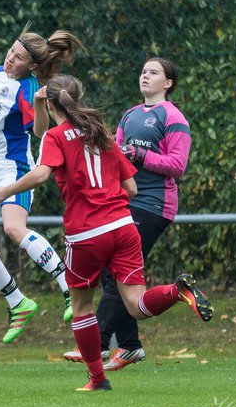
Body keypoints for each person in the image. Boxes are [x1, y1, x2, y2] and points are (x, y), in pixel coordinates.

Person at [0, 75, 211, 391]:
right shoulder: (102, 135)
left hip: (86, 232)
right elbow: (131, 188)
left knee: (81, 307)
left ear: (51, 105)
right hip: (123, 226)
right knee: (135, 304)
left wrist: (5, 191)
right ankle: (177, 291)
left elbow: (40, 174)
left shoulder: (55, 135)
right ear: (76, 100)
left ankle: (97, 379)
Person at [64, 56, 210, 370]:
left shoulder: (173, 117)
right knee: (110, 273)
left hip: (154, 205)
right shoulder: (130, 115)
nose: (145, 76)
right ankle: (130, 346)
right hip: (123, 204)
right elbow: (115, 156)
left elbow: (177, 166)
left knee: (118, 273)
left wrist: (141, 155)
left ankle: (99, 344)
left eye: (153, 72)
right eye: (143, 71)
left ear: (168, 83)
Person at [0, 26, 82, 343]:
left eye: (19, 57)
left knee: (14, 228)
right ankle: (18, 302)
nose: (11, 58)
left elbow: (38, 131)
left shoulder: (29, 89)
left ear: (33, 67)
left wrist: (40, 102)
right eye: (12, 50)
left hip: (13, 167)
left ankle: (66, 281)